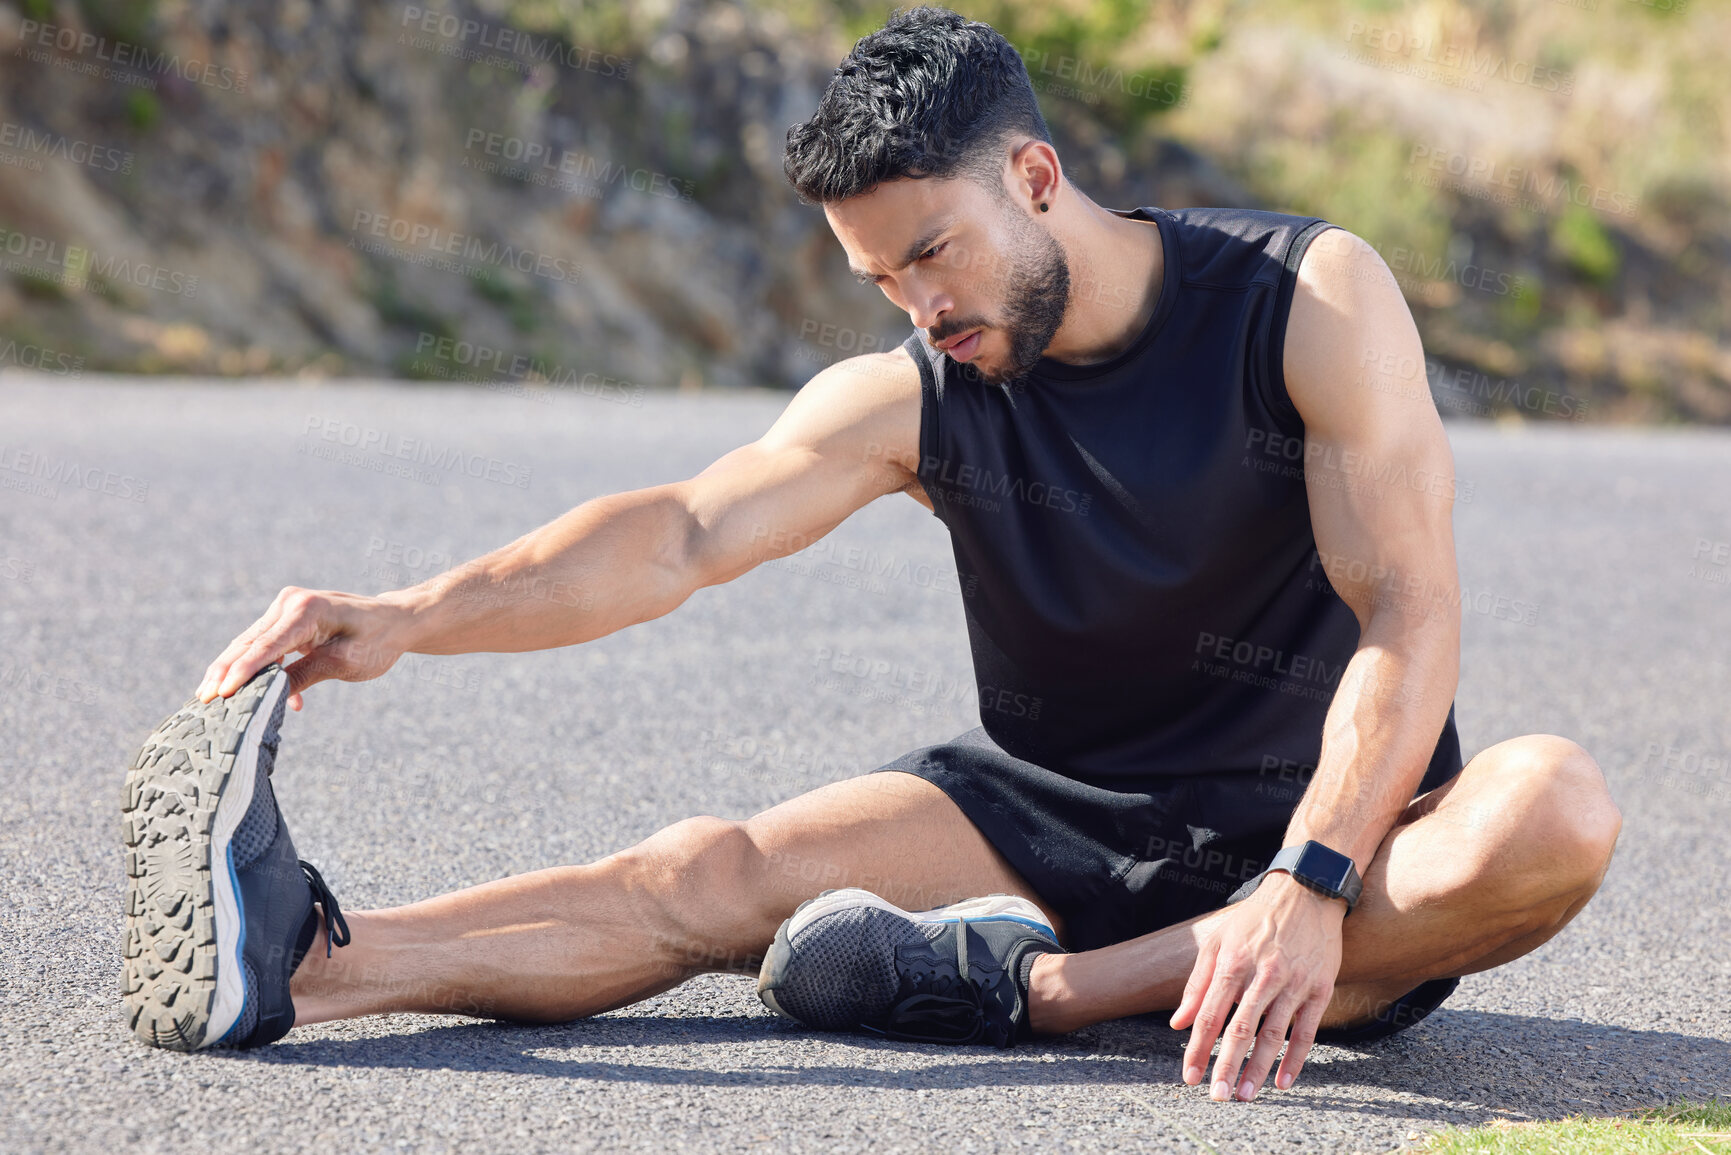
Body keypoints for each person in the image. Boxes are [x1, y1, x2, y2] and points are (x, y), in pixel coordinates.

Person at [120, 5, 1620, 1103]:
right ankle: (306, 966)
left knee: (1549, 809)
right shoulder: (916, 392)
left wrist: (1308, 874)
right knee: (703, 875)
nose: (916, 303)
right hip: (1058, 814)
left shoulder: (1306, 299)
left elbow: (1405, 605)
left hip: (1348, 842)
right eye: (879, 276)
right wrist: (406, 616)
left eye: (933, 252)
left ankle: (1041, 996)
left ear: (1035, 180)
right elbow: (681, 535)